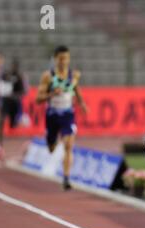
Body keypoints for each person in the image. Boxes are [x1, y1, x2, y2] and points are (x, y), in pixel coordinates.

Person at [36, 45, 88, 190]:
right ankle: (51, 141)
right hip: (52, 115)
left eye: (66, 58)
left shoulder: (74, 75)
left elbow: (76, 89)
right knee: (51, 148)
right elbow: (38, 99)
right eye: (61, 58)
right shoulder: (48, 76)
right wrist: (51, 94)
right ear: (55, 59)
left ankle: (66, 178)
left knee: (68, 145)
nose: (64, 61)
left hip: (67, 114)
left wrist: (82, 104)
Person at [0, 58, 28, 150]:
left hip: (15, 102)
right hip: (6, 101)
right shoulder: (7, 75)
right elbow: (0, 82)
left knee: (13, 124)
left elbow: (23, 91)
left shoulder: (20, 76)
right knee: (1, 119)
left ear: (17, 67)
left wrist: (15, 95)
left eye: (15, 66)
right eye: (12, 66)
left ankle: (19, 126)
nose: (13, 68)